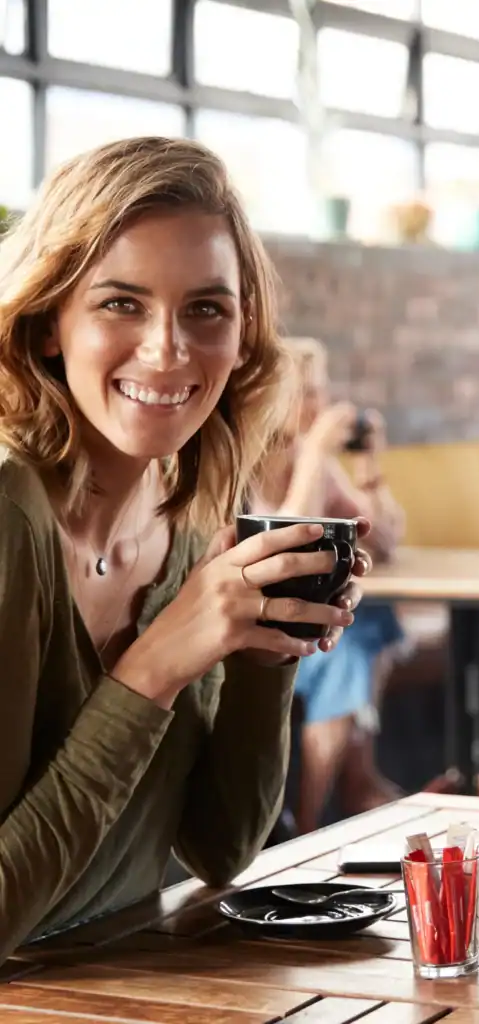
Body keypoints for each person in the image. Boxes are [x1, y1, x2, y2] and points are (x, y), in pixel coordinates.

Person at [0, 137, 370, 959]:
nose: (168, 350)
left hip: (149, 969)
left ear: (243, 338)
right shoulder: (7, 517)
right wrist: (156, 666)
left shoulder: (199, 515)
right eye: (120, 304)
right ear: (49, 322)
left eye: (206, 309)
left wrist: (266, 647)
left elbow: (221, 847)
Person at [253, 337, 403, 833]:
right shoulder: (244, 458)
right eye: (303, 394)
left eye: (319, 392)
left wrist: (370, 466)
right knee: (351, 645)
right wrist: (316, 453)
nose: (316, 407)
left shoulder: (308, 453)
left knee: (368, 629)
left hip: (315, 621)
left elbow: (385, 538)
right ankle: (320, 817)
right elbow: (279, 549)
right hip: (262, 627)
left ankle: (344, 796)